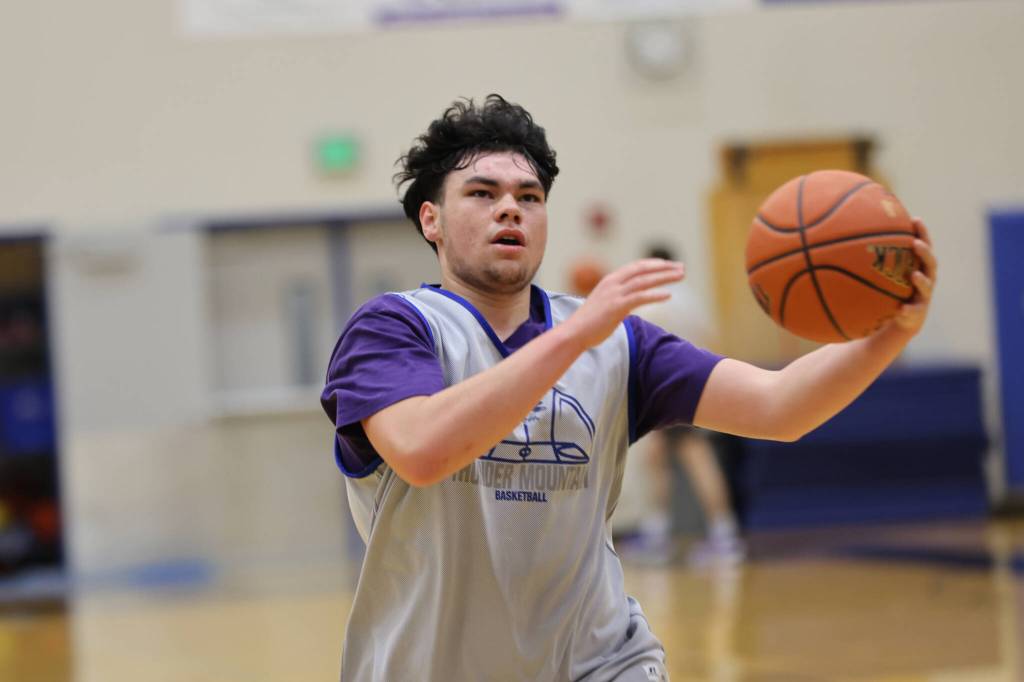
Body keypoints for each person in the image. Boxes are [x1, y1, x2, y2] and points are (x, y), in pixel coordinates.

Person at [320, 94, 937, 681]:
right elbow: (423, 450)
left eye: (528, 197)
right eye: (482, 193)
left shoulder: (619, 340)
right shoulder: (393, 328)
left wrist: (891, 332)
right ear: (431, 219)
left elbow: (780, 407)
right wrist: (574, 336)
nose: (509, 208)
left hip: (601, 659)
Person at [630, 244, 744, 567]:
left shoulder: (653, 300)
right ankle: (662, 534)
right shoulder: (692, 300)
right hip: (695, 385)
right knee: (658, 459)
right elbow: (713, 342)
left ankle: (723, 537)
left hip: (667, 389)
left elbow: (638, 348)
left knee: (694, 459)